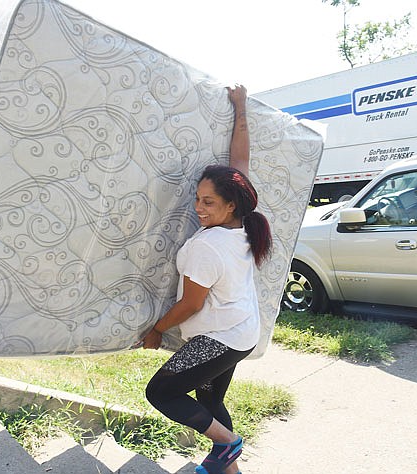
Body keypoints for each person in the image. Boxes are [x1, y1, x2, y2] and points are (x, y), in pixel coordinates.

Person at [142, 85, 273, 474]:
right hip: (241, 334)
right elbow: (240, 162)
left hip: (218, 340)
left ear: (230, 203)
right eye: (197, 199)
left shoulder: (208, 246)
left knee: (162, 392)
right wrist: (241, 107)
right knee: (211, 403)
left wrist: (156, 329)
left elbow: (191, 304)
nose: (198, 208)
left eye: (208, 202)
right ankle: (229, 468)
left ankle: (229, 444)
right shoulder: (243, 223)